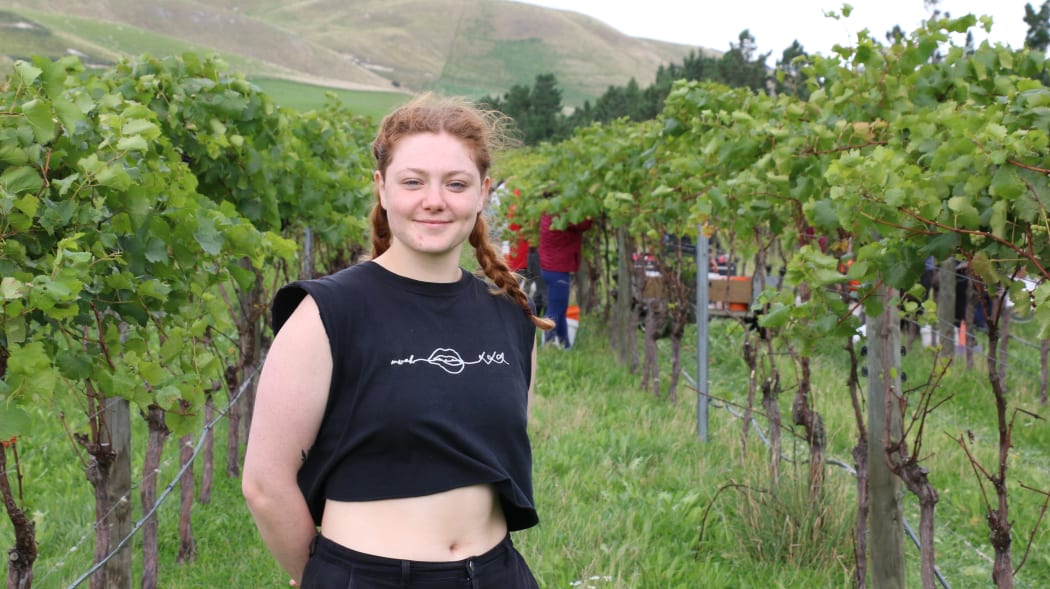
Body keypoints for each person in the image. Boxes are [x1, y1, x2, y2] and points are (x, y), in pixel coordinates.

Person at [242, 93, 553, 589]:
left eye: (456, 184)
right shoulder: (327, 313)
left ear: (483, 192)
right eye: (413, 182)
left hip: (497, 574)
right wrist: (326, 577)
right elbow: (264, 485)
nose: (435, 200)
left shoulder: (510, 314)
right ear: (382, 189)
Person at [538, 206, 592, 348]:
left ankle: (565, 344)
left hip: (552, 267)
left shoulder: (549, 210)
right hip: (558, 268)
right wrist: (591, 213)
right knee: (556, 309)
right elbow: (582, 224)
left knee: (560, 308)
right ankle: (547, 343)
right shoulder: (560, 211)